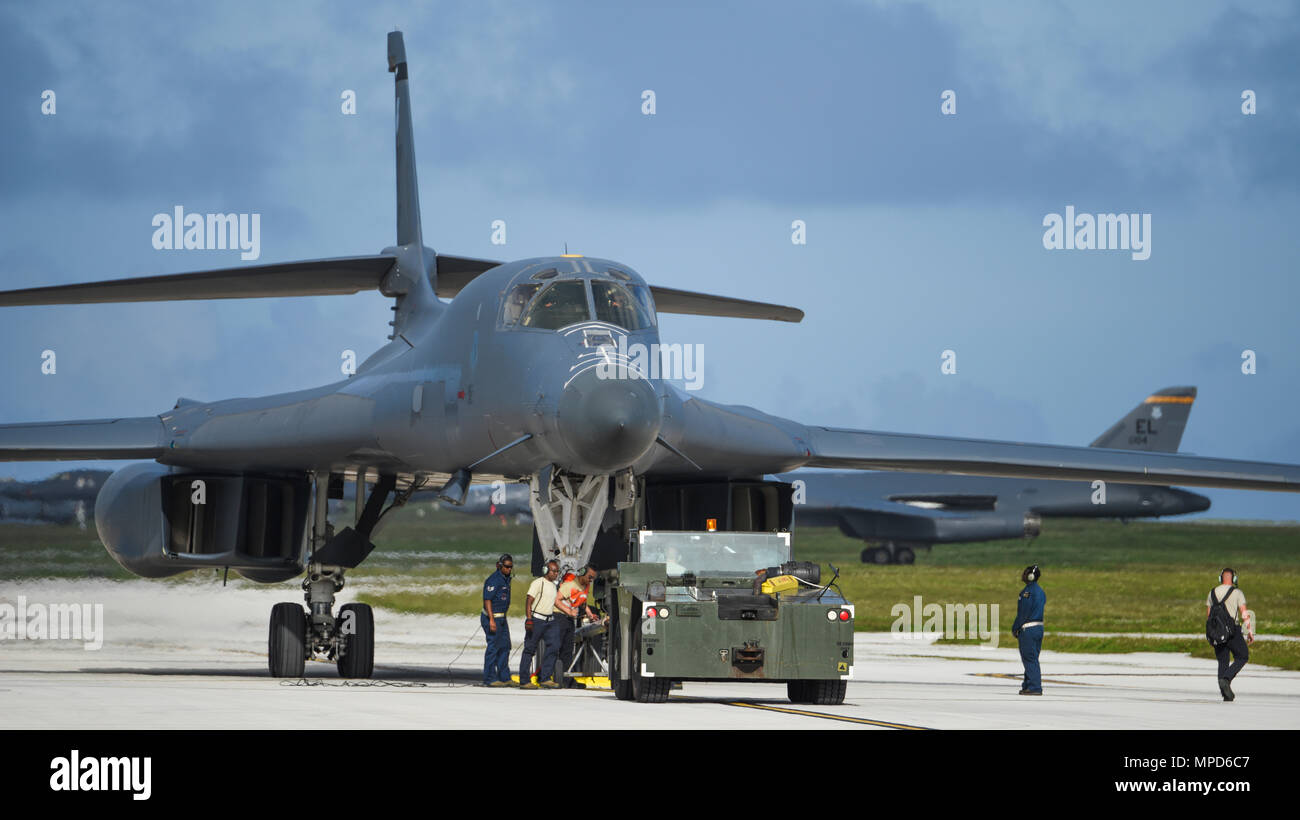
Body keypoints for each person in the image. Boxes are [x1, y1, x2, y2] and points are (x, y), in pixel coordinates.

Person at [1206, 567, 1252, 701]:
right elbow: (1244, 612)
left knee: (1222, 661)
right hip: (1233, 630)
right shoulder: (1237, 592)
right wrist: (1249, 630)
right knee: (1243, 656)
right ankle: (1226, 679)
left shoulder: (1212, 592)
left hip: (1216, 631)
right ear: (1234, 579)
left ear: (1221, 578)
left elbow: (1209, 616)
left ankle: (1225, 693)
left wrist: (1211, 634)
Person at [554, 565, 601, 688]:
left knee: (568, 650)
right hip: (560, 617)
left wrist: (590, 614)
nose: (591, 580)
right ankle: (556, 677)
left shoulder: (585, 586)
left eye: (593, 578)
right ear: (582, 573)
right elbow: (556, 600)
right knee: (558, 647)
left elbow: (582, 601)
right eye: (590, 577)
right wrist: (568, 611)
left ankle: (567, 680)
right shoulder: (569, 585)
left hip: (569, 618)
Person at [519, 560, 562, 690]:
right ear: (545, 571)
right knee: (529, 649)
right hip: (537, 619)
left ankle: (545, 678)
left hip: (550, 620)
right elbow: (529, 601)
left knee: (554, 646)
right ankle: (524, 680)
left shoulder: (554, 585)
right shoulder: (538, 583)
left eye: (557, 571)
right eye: (553, 571)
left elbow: (554, 602)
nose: (556, 573)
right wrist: (529, 619)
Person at [1011, 564, 1045, 696]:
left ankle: (1035, 686)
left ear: (1030, 576)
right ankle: (1028, 684)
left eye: (1025, 573)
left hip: (1028, 629)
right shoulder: (1040, 591)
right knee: (1033, 658)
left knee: (1029, 659)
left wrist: (1015, 627)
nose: (1023, 574)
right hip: (1039, 628)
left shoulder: (1027, 593)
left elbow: (1023, 613)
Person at [480, 553, 514, 687]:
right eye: (506, 567)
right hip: (492, 617)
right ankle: (489, 678)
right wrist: (492, 620)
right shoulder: (494, 580)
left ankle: (504, 677)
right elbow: (487, 600)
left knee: (505, 646)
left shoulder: (506, 579)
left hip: (502, 618)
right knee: (493, 647)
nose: (509, 569)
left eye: (511, 567)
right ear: (500, 566)